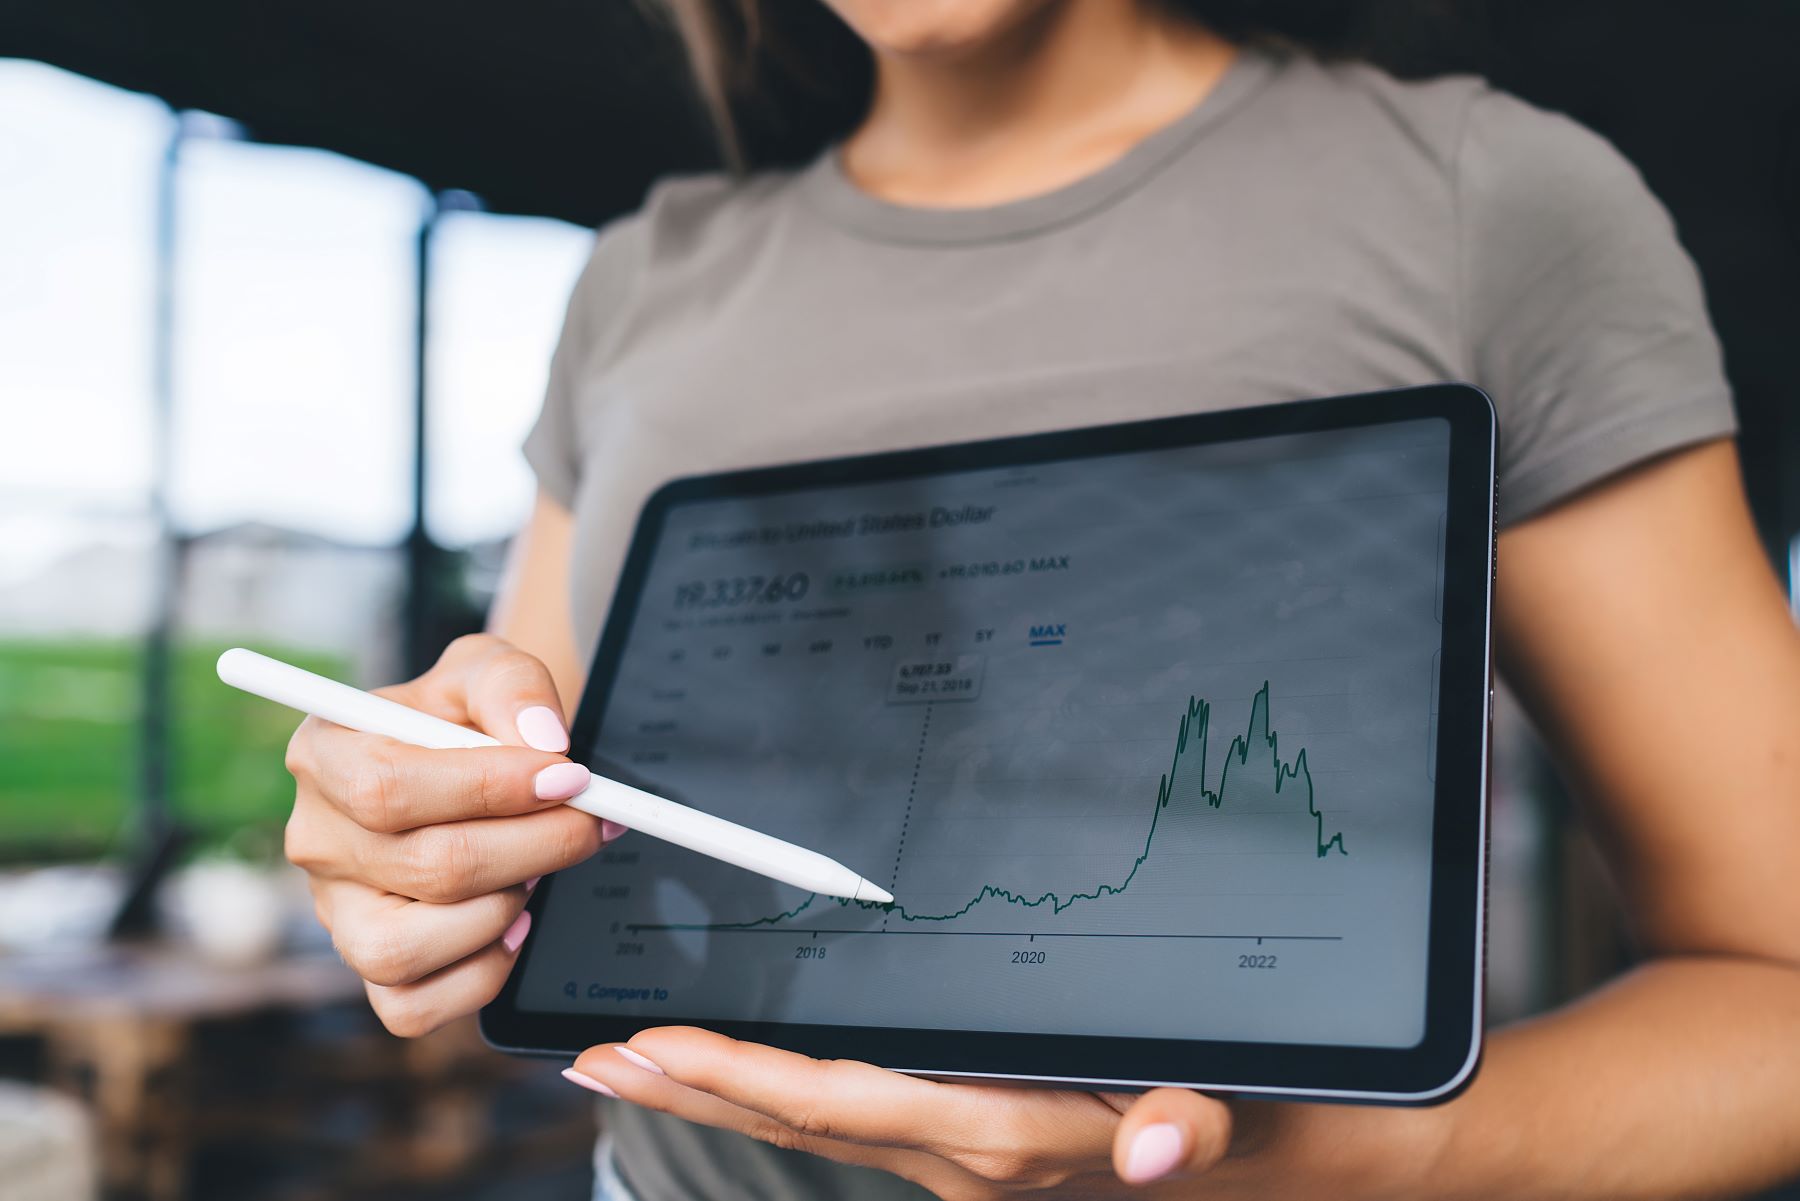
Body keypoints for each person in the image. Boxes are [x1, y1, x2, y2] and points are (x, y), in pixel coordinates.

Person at [281, 1, 1800, 1197]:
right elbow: (526, 830)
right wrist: (423, 855)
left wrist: (1312, 1166)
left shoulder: (1486, 203)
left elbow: (1776, 998)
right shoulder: (641, 282)